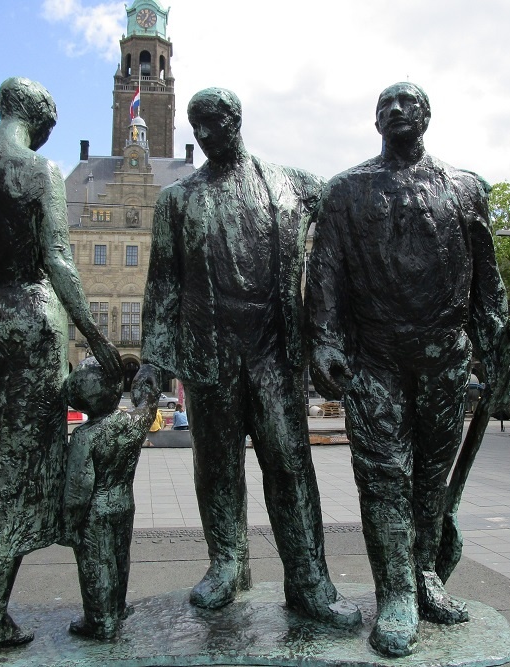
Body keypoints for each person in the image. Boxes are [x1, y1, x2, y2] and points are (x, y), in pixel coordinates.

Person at [133, 88, 360, 628]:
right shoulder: (178, 200)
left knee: (289, 466)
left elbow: (343, 242)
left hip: (274, 356)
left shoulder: (295, 186)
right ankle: (228, 564)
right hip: (209, 355)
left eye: (212, 122)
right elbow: (162, 285)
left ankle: (307, 579)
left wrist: (336, 331)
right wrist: (152, 361)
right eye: (196, 125)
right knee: (216, 469)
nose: (204, 134)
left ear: (236, 120)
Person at [305, 82, 510, 657]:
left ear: (428, 115)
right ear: (375, 123)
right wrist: (323, 341)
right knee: (382, 476)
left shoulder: (468, 188)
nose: (396, 111)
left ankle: (423, 572)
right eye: (384, 106)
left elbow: (485, 277)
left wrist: (496, 338)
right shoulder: (345, 191)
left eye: (407, 103)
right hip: (375, 357)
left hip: (445, 358)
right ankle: (395, 591)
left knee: (430, 475)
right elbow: (324, 274)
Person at [0, 77, 121, 655]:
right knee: (20, 467)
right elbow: (60, 261)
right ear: (38, 120)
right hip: (30, 319)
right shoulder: (39, 172)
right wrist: (95, 336)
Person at [60, 358, 157, 640]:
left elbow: (79, 488)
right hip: (124, 503)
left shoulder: (84, 436)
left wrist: (69, 523)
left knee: (97, 564)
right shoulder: (132, 423)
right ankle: (117, 607)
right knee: (119, 557)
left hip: (95, 511)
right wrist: (146, 387)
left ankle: (100, 621)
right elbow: (148, 410)